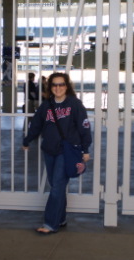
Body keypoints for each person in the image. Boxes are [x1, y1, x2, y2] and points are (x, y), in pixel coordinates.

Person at [22, 72, 92, 234]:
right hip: (49, 150)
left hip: (66, 151)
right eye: (55, 84)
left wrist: (85, 149)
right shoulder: (46, 105)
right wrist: (27, 140)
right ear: (50, 87)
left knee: (57, 187)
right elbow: (36, 125)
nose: (58, 88)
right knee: (56, 186)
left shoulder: (75, 104)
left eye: (61, 84)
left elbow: (84, 126)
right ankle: (61, 218)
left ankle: (50, 223)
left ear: (67, 86)